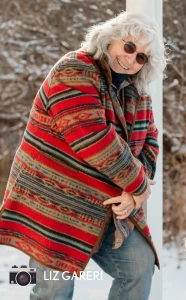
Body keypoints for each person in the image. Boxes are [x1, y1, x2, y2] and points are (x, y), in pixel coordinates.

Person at [0, 11, 166, 300]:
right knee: (53, 290)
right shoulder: (74, 69)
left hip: (108, 205)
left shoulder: (136, 90)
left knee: (139, 266)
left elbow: (150, 138)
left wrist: (133, 193)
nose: (131, 59)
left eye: (141, 57)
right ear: (111, 38)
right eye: (129, 47)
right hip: (54, 202)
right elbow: (92, 139)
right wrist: (138, 186)